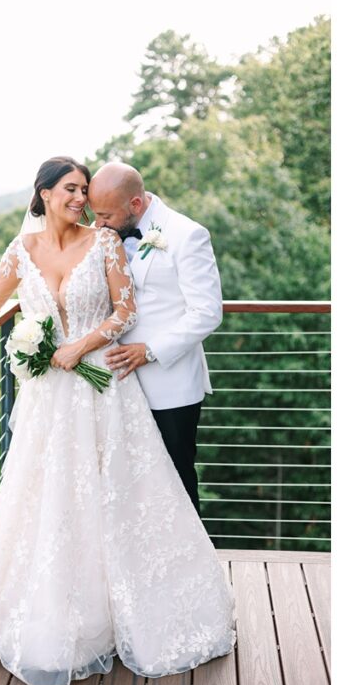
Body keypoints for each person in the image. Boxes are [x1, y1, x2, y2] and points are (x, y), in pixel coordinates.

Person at [0, 157, 234, 685]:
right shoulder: (20, 249)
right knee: (49, 497)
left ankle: (139, 604)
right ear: (45, 193)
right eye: (73, 191)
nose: (83, 203)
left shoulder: (107, 243)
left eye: (88, 193)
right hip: (47, 397)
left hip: (105, 384)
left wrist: (82, 344)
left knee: (125, 492)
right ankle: (60, 608)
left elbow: (125, 312)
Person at [87, 162, 223, 514]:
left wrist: (150, 351)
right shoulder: (101, 232)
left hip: (170, 384)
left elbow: (207, 312)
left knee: (175, 479)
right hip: (113, 383)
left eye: (104, 215)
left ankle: (191, 567)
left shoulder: (186, 234)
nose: (97, 224)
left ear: (135, 205)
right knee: (124, 482)